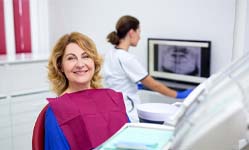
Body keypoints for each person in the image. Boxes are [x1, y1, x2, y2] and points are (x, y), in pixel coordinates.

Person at [45, 32, 129, 150]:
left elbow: (130, 140)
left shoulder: (112, 98)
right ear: (60, 66)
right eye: (71, 58)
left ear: (94, 62)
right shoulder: (57, 111)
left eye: (86, 56)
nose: (80, 64)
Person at [103, 15, 192, 122]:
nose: (140, 37)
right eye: (139, 32)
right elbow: (154, 85)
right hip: (127, 110)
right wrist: (179, 95)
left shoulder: (110, 53)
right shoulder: (127, 58)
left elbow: (116, 79)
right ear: (131, 32)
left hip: (114, 108)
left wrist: (135, 85)